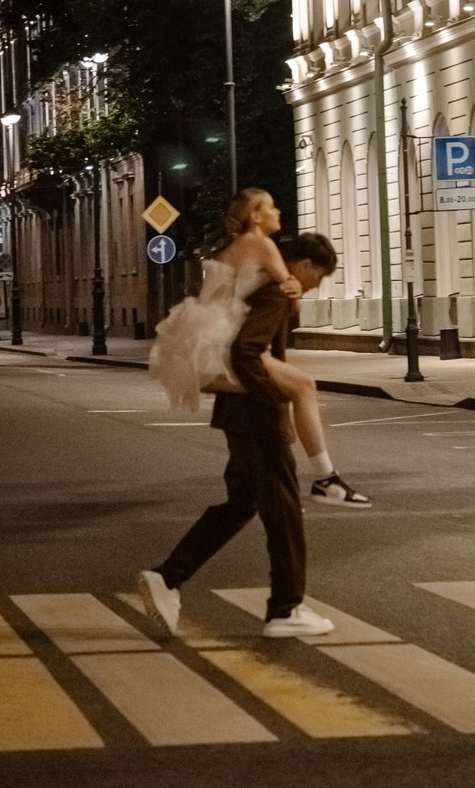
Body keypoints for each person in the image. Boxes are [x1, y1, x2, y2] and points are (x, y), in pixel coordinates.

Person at [139, 231, 341, 640]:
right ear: (304, 264)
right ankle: (286, 608)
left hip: (239, 416)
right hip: (256, 416)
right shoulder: (276, 293)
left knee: (240, 504)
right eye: (319, 276)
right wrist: (272, 398)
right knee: (284, 514)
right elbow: (246, 353)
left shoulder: (261, 285)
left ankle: (168, 577)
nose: (316, 285)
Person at [150, 186, 369, 507]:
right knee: (305, 387)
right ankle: (326, 479)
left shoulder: (239, 246)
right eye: (271, 206)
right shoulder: (261, 244)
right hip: (222, 342)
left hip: (207, 339)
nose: (277, 212)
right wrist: (290, 289)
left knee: (243, 496)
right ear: (255, 216)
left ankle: (327, 479)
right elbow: (290, 293)